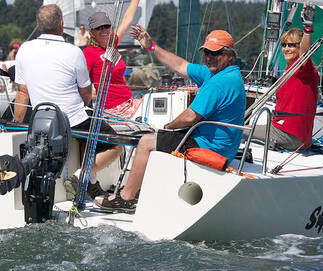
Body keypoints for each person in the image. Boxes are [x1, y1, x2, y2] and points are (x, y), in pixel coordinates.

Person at [97, 27, 246, 213]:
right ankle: (140, 189)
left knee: (146, 141)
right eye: (206, 52)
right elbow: (179, 65)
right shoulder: (221, 73)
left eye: (215, 53)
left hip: (209, 147)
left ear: (229, 55)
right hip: (217, 143)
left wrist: (168, 127)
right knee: (159, 138)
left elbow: (190, 117)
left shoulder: (219, 82)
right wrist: (150, 46)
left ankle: (126, 198)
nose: (209, 57)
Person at [13, 4, 123, 200]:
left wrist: (18, 128)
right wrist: (85, 107)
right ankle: (81, 176)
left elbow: (22, 93)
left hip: (41, 119)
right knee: (116, 145)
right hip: (72, 120)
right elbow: (86, 92)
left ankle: (89, 183)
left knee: (87, 135)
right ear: (61, 24)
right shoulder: (73, 52)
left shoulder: (24, 49)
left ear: (38, 25)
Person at [83, 0, 146, 117]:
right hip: (112, 110)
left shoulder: (112, 44)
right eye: (99, 28)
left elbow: (127, 20)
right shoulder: (88, 53)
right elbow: (82, 85)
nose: (104, 30)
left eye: (106, 26)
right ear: (92, 32)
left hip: (129, 102)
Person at [270, 4, 319, 150]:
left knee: (237, 130)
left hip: (290, 135)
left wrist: (308, 28)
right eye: (284, 45)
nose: (286, 49)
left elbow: (305, 53)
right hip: (284, 130)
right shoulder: (289, 69)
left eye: (292, 45)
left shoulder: (303, 68)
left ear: (299, 46)